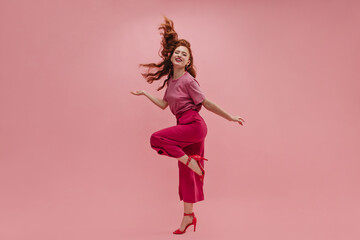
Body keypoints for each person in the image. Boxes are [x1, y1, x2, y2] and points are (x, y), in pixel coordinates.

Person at [130, 16, 245, 235]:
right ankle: (188, 218)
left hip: (194, 125)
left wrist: (230, 117)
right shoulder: (172, 81)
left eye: (185, 53)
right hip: (184, 126)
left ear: (188, 61)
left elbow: (207, 103)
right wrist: (145, 93)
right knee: (186, 175)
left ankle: (191, 162)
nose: (180, 55)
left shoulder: (189, 81)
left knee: (157, 139)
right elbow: (164, 104)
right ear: (172, 56)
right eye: (177, 52)